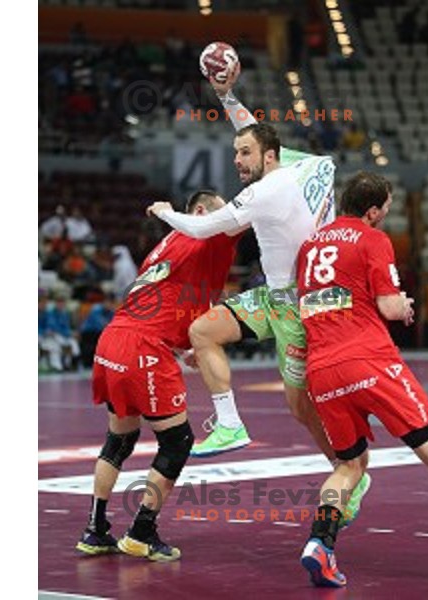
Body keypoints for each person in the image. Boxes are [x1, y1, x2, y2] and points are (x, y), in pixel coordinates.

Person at [147, 65, 371, 528]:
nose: (236, 161)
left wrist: (167, 212)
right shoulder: (302, 163)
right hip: (273, 295)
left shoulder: (264, 193)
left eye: (244, 155)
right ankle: (230, 423)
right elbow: (252, 131)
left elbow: (204, 227)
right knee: (202, 330)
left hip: (300, 306)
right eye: (235, 153)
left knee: (299, 407)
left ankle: (348, 469)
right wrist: (227, 97)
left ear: (268, 158)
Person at [76, 190, 244, 561]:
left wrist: (189, 346)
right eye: (221, 208)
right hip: (142, 347)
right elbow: (252, 210)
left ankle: (95, 528)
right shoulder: (209, 232)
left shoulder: (167, 244)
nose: (229, 214)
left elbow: (166, 299)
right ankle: (141, 531)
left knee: (119, 440)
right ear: (200, 212)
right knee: (177, 441)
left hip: (113, 339)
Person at [295, 172, 428, 587]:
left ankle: (320, 544)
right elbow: (391, 308)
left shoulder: (310, 245)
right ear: (373, 210)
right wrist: (406, 304)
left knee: (349, 465)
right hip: (368, 359)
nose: (387, 214)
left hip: (322, 369)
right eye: (387, 208)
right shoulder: (372, 238)